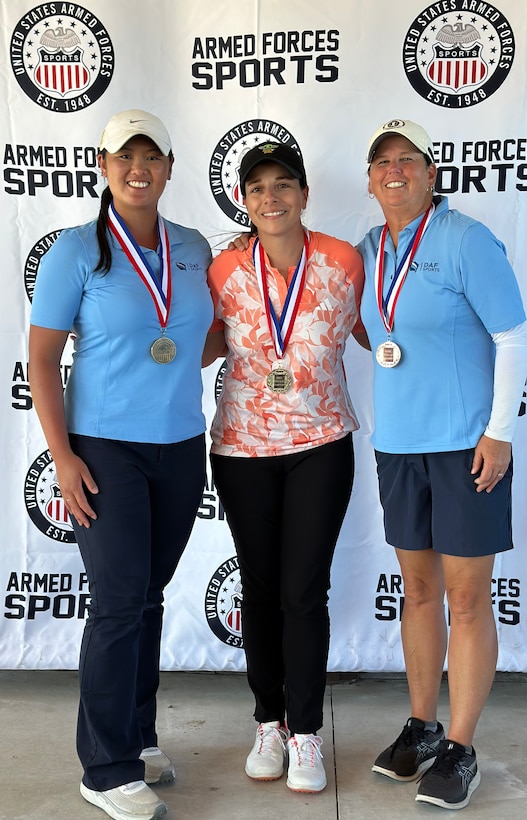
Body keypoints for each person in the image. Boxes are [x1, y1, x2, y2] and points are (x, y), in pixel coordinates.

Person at [28, 110, 213, 820]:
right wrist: (63, 455)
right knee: (115, 603)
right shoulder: (76, 251)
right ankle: (104, 769)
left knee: (148, 596)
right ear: (104, 167)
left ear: (169, 167)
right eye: (123, 156)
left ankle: (137, 736)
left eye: (151, 156)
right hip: (104, 447)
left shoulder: (192, 247)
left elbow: (201, 337)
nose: (138, 167)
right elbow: (43, 360)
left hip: (178, 444)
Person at [357, 119, 527, 810]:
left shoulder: (464, 239)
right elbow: (375, 329)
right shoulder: (370, 249)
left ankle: (459, 747)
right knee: (419, 593)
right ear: (369, 181)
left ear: (431, 174)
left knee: (464, 598)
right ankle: (421, 726)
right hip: (397, 444)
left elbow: (511, 336)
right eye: (381, 163)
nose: (393, 171)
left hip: (465, 445)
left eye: (407, 160)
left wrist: (498, 431)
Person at [203, 141, 368, 794]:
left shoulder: (341, 260)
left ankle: (304, 734)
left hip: (321, 444)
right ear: (243, 201)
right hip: (242, 450)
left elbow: (380, 328)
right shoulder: (222, 270)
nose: (270, 198)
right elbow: (201, 338)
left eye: (283, 185)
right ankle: (266, 721)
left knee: (304, 592)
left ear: (303, 194)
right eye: (257, 188)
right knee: (262, 589)